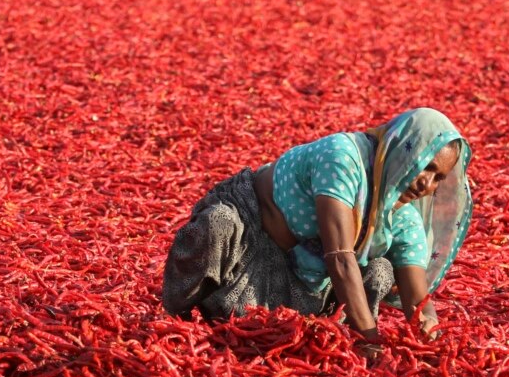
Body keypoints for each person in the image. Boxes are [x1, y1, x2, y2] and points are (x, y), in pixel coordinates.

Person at [162, 108, 472, 353]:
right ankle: (175, 324)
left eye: (438, 178)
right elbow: (340, 257)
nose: (426, 185)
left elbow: (417, 299)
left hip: (300, 283)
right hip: (248, 245)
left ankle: (321, 327)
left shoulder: (402, 216)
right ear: (405, 149)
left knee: (380, 271)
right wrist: (370, 339)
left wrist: (433, 341)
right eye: (425, 167)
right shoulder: (343, 158)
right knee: (218, 223)